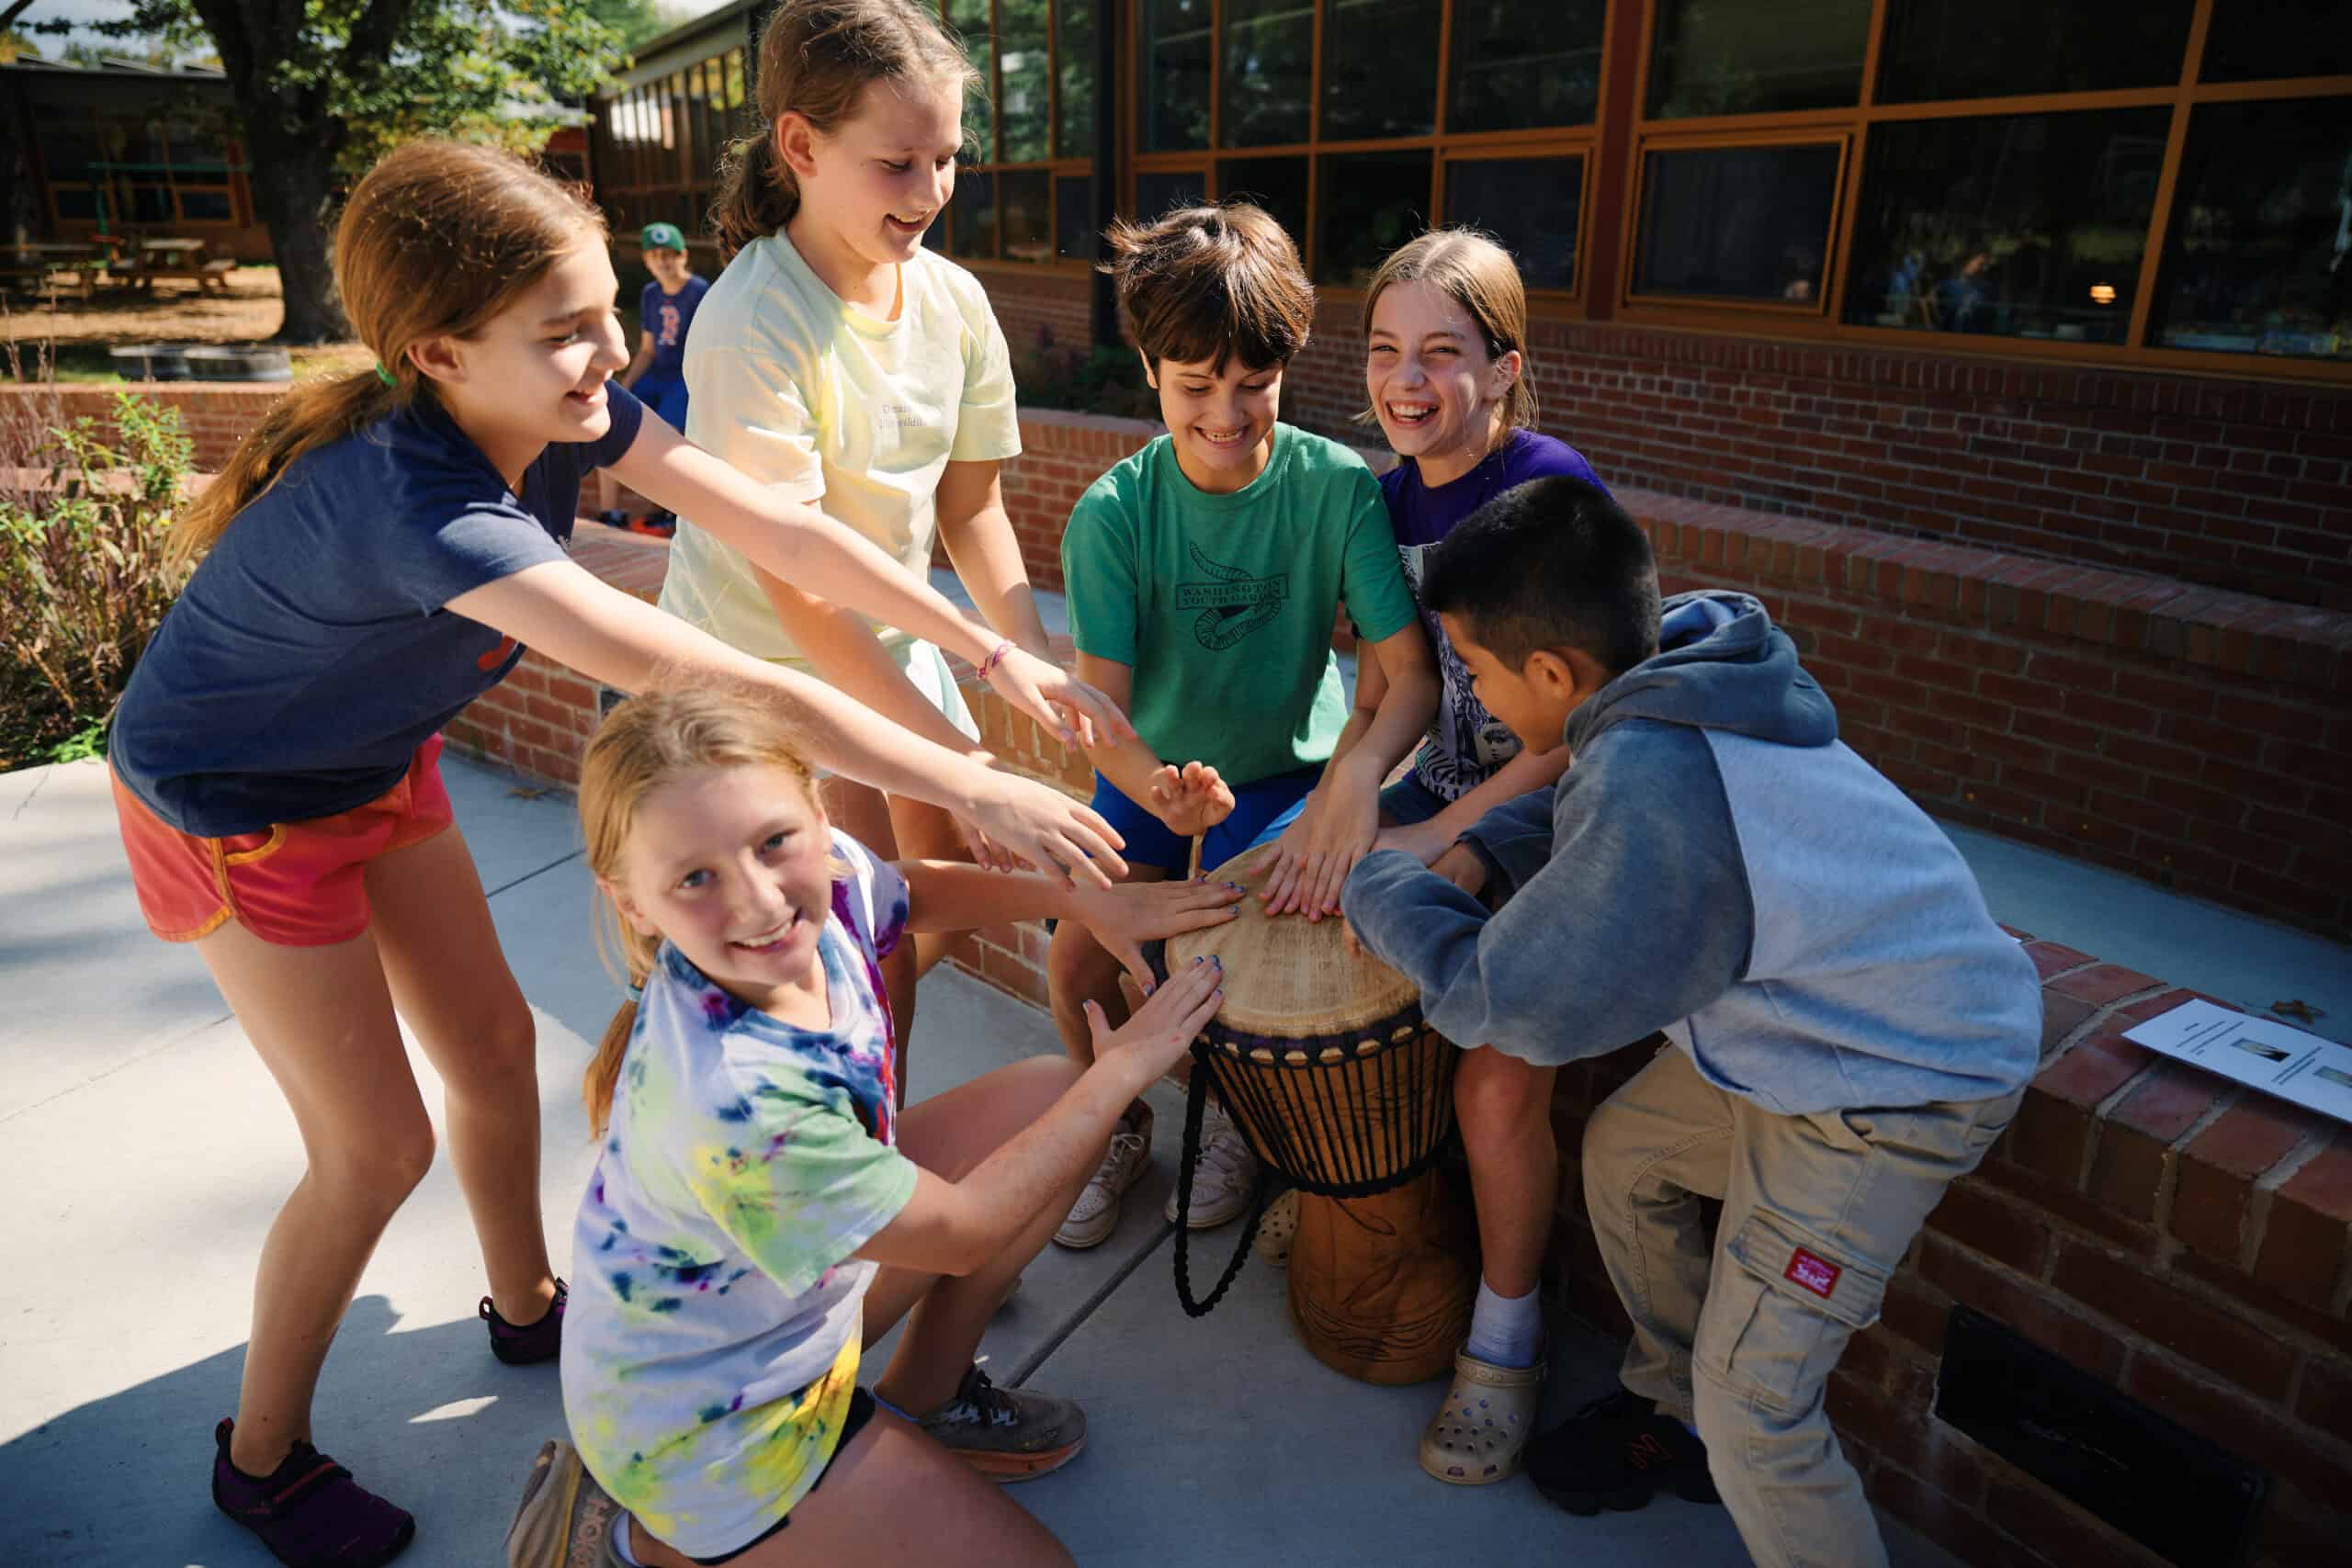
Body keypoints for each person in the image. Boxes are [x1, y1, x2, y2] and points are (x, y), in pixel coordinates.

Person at [106, 138, 1130, 1568]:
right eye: (566, 329)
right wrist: (970, 777)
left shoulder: (552, 405)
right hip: (233, 804)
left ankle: (528, 1305)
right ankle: (261, 1458)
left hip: (369, 761)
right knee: (377, 1145)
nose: (612, 350)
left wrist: (986, 650)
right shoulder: (425, 510)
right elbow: (720, 676)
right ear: (440, 353)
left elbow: (779, 528)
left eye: (607, 312)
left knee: (489, 1053)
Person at [1340, 475, 2041, 1561]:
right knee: (1626, 1157)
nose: (1470, 691)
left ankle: (1713, 1420)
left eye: (1474, 670)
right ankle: (1672, 1415)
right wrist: (1481, 846)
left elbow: (1510, 1006)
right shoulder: (1679, 671)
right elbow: (1595, 818)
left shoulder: (1655, 773)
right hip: (1816, 1036)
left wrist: (1378, 887)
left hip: (1895, 1082)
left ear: (1551, 673)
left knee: (1756, 1414)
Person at [560, 684, 1237, 1567]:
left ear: (816, 811)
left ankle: (926, 1401)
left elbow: (902, 891)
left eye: (774, 842)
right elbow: (969, 1230)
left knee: (1047, 1098)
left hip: (779, 1311)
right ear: (631, 902)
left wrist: (1086, 903)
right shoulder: (739, 1103)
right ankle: (642, 1543)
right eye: (696, 878)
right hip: (717, 1434)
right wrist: (1122, 1072)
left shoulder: (821, 878)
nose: (760, 900)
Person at [658, 0, 1067, 1071]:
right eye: (897, 163)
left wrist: (1029, 658)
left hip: (890, 636)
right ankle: (865, 1135)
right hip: (769, 666)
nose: (930, 191)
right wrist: (967, 763)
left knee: (941, 891)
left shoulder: (956, 302)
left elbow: (970, 510)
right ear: (801, 146)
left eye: (947, 159)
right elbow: (801, 591)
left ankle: (846, 1077)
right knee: (869, 930)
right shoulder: (752, 322)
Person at [1046, 200, 1440, 1249]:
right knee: (1077, 962)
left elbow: (1409, 675)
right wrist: (1156, 788)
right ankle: (1114, 1125)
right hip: (1146, 774)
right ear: (1149, 371)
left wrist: (1351, 783)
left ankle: (1232, 1123)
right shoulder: (1111, 515)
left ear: (1285, 367)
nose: (1226, 413)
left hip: (1283, 779)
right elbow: (1100, 715)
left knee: (1223, 951)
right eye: (1194, 385)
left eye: (1252, 383)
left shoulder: (1337, 487)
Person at [1349, 228, 1611, 1485]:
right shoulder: (1384, 498)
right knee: (1287, 919)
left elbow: (1570, 732)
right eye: (1385, 349)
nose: (1407, 380)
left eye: (1441, 353)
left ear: (1504, 369)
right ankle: (1335, 1202)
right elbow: (1383, 688)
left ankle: (1506, 1340)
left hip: (1561, 809)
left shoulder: (1551, 494)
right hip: (1440, 790)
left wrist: (1433, 835)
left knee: (1497, 1081)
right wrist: (1348, 806)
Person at [618, 221, 708, 433]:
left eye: (668, 254)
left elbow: (705, 349)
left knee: (666, 431)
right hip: (657, 372)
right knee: (625, 419)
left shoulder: (699, 291)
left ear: (683, 256)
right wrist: (627, 384)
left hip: (685, 376)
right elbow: (647, 350)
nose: (661, 261)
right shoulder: (650, 293)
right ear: (646, 260)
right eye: (654, 255)